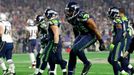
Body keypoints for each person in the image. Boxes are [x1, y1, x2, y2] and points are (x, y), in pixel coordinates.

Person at [64, 2, 105, 75]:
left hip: (91, 35)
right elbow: (75, 28)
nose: (68, 13)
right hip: (82, 34)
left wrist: (101, 42)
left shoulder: (83, 16)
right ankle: (70, 73)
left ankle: (87, 63)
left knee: (76, 48)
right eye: (67, 11)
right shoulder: (70, 18)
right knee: (72, 52)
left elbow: (95, 28)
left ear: (75, 10)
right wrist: (76, 38)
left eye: (70, 11)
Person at [35, 8, 67, 75]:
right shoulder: (56, 21)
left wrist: (55, 44)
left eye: (47, 15)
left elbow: (55, 34)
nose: (46, 16)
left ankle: (39, 73)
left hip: (52, 42)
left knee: (45, 58)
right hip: (54, 41)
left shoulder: (52, 22)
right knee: (51, 59)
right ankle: (54, 72)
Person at [107, 7, 130, 75]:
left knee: (114, 60)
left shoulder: (117, 20)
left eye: (110, 12)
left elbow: (119, 34)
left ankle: (124, 72)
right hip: (119, 41)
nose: (109, 14)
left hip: (119, 42)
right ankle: (129, 68)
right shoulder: (119, 20)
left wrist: (113, 44)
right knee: (111, 59)